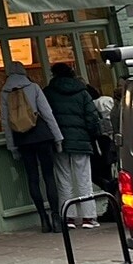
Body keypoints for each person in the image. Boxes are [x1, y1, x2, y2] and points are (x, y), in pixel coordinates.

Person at [0, 59, 63, 232]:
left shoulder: (4, 92)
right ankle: (56, 218)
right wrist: (58, 138)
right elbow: (47, 113)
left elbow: (5, 122)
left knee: (32, 178)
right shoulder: (33, 87)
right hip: (41, 135)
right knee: (49, 176)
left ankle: (43, 219)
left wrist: (12, 147)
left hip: (22, 139)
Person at [43, 60, 105, 226]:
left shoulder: (48, 92)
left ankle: (68, 216)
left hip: (59, 141)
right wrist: (94, 135)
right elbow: (92, 118)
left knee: (64, 180)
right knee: (84, 179)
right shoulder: (82, 92)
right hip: (81, 141)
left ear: (54, 74)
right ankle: (88, 217)